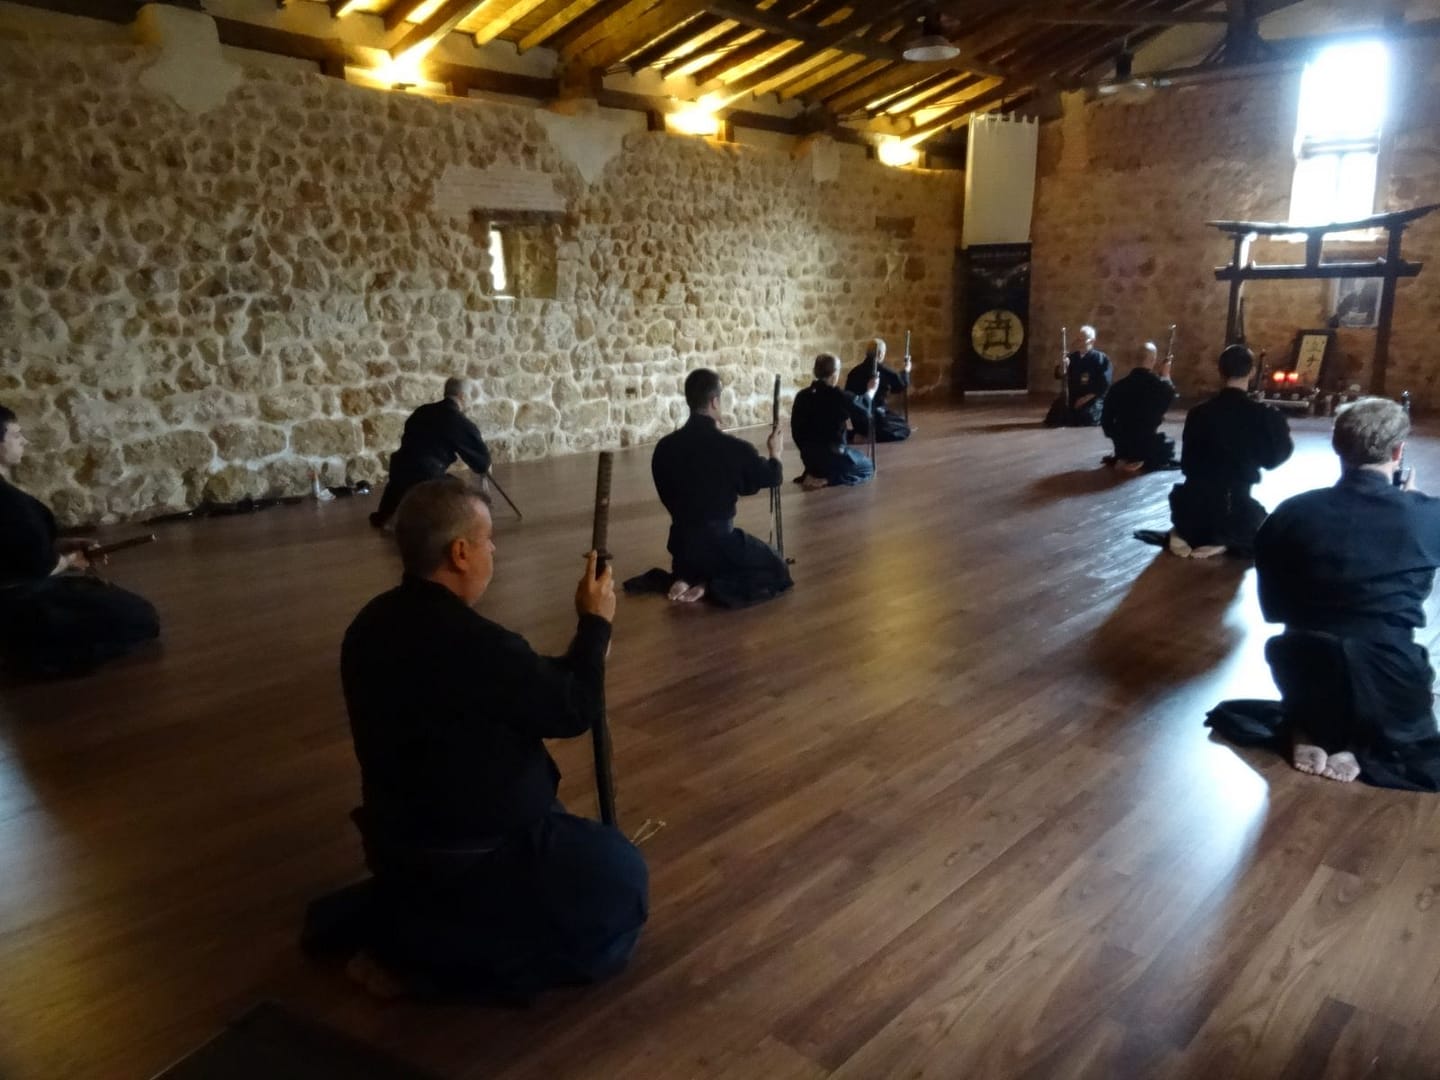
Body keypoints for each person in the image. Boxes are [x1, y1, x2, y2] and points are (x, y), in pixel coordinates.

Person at [335, 477, 647, 997]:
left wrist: (587, 649)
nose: (494, 551)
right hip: (475, 853)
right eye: (489, 540)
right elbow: (573, 709)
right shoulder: (479, 646)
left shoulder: (370, 624)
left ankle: (418, 930)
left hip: (397, 842)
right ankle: (436, 964)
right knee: (622, 881)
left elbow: (535, 687)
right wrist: (595, 623)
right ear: (460, 553)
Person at [1206, 398, 1440, 791]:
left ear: (1336, 446)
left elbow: (1273, 608)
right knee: (1406, 705)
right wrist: (1415, 505)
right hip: (1387, 671)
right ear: (1398, 452)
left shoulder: (1292, 512)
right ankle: (1363, 746)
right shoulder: (1427, 515)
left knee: (1324, 660)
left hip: (1302, 665)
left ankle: (1311, 728)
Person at [0, 405, 159, 676]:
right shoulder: (8, 502)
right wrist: (70, 560)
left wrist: (60, 546)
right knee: (139, 617)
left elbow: (14, 547)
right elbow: (39, 567)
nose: (24, 441)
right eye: (16, 435)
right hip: (15, 603)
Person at [1168, 344, 1293, 558]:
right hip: (1235, 506)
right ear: (1252, 372)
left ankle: (1193, 535)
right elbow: (1273, 460)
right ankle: (1227, 540)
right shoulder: (1264, 415)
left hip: (1192, 509)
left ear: (1220, 371)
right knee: (1276, 535)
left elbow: (1188, 464)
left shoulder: (1198, 413)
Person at [369, 377, 492, 529]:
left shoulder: (422, 411)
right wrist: (484, 465)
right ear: (462, 396)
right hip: (426, 475)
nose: (470, 402)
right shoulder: (456, 420)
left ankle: (392, 516)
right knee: (460, 491)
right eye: (470, 397)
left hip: (399, 469)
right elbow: (481, 462)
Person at [792, 353, 878, 489]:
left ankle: (814, 474)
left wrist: (807, 451)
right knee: (867, 466)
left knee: (850, 455)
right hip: (833, 456)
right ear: (834, 374)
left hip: (809, 458)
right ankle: (827, 479)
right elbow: (863, 409)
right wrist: (871, 391)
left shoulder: (802, 396)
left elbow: (796, 431)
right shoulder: (838, 396)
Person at [1101, 342, 1178, 472]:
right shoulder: (1159, 386)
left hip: (1122, 447)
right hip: (1146, 443)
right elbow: (1170, 399)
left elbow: (1106, 422)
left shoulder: (1117, 387)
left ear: (1134, 359)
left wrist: (1118, 438)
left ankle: (1127, 459)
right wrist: (1166, 375)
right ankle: (1142, 461)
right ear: (1153, 360)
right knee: (1168, 444)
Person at [844, 338, 912, 442]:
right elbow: (901, 384)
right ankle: (870, 436)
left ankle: (855, 435)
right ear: (880, 354)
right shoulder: (882, 370)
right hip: (876, 418)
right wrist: (906, 369)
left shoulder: (854, 372)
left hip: (857, 421)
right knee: (904, 429)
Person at [1044, 325, 1112, 427]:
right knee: (1057, 412)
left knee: (1087, 416)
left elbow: (1104, 384)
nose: (1079, 343)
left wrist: (1085, 398)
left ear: (1092, 341)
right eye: (1078, 340)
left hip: (1092, 398)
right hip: (1074, 396)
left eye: (1082, 340)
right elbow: (1059, 375)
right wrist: (1062, 366)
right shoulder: (1072, 357)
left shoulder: (1101, 359)